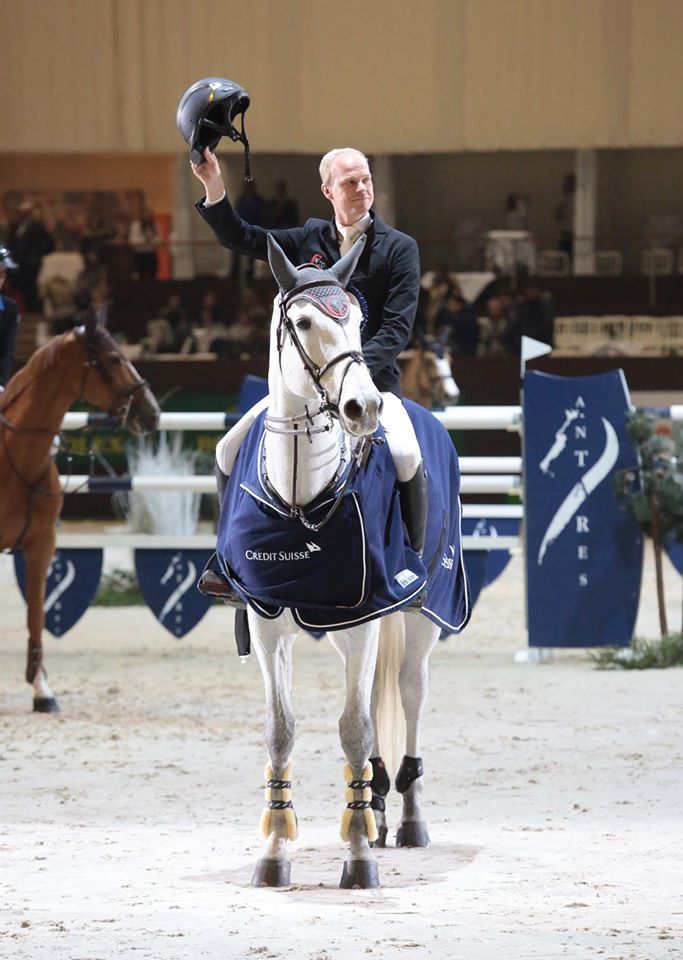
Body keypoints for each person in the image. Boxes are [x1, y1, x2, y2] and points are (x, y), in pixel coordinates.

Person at [191, 145, 425, 598]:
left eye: (366, 179)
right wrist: (214, 185)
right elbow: (240, 236)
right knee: (227, 449)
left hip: (369, 387)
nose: (361, 189)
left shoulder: (400, 249)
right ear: (327, 190)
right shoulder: (309, 239)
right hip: (304, 391)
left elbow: (397, 328)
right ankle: (228, 560)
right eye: (349, 182)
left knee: (407, 456)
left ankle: (410, 566)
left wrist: (348, 380)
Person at [9, 200, 54, 311]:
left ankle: (34, 310)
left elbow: (48, 243)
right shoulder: (19, 225)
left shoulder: (36, 225)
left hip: (31, 262)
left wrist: (37, 255)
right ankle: (27, 309)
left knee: (31, 286)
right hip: (20, 261)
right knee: (23, 287)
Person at [0, 246, 20, 387]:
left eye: (2, 274)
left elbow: (7, 351)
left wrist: (1, 383)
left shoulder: (10, 308)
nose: (0, 279)